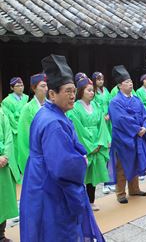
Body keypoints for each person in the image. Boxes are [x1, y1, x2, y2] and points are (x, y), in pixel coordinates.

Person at [20, 54, 104, 241]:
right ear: (52, 94)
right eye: (67, 91)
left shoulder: (48, 114)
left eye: (74, 91)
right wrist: (81, 161)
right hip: (51, 186)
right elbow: (63, 167)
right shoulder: (54, 123)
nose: (73, 95)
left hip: (38, 180)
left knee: (40, 229)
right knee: (58, 231)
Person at [108, 65, 146, 203]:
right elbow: (120, 120)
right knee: (121, 166)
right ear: (120, 86)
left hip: (137, 136)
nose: (130, 84)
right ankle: (120, 193)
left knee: (135, 162)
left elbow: (145, 115)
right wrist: (137, 129)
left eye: (131, 82)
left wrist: (145, 127)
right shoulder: (115, 102)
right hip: (123, 139)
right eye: (127, 82)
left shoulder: (136, 100)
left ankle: (134, 189)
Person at [67, 76, 111, 211]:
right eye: (89, 90)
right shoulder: (74, 108)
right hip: (84, 144)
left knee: (92, 175)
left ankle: (91, 201)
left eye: (92, 90)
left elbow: (102, 126)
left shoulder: (96, 106)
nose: (92, 93)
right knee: (82, 174)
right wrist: (90, 146)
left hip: (97, 142)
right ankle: (80, 202)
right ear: (81, 91)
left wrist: (101, 142)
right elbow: (78, 129)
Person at [16, 73, 48, 174]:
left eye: (46, 85)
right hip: (37, 156)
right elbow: (24, 137)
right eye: (42, 86)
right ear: (34, 88)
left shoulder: (51, 106)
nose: (46, 89)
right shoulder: (27, 109)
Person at [0, 103, 20, 242]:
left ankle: (1, 234)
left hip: (4, 163)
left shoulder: (1, 112)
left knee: (4, 201)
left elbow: (8, 135)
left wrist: (5, 155)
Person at [1, 77, 29, 172]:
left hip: (26, 128)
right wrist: (20, 126)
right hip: (15, 131)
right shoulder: (6, 101)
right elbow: (10, 118)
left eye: (22, 85)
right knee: (16, 151)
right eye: (17, 86)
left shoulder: (26, 98)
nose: (21, 87)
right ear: (12, 88)